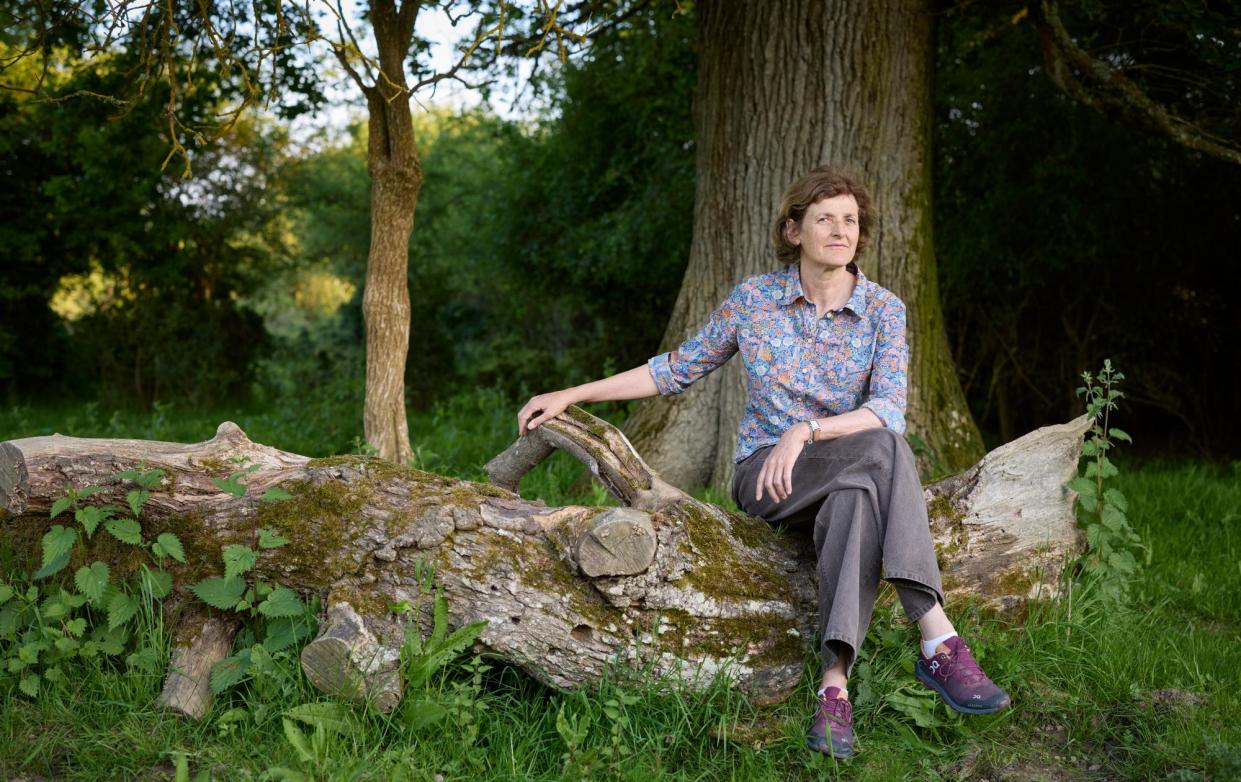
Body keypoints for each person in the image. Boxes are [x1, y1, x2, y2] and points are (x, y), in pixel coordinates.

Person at [516, 166, 1010, 760]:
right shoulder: (755, 301)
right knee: (885, 452)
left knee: (860, 490)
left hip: (844, 474)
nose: (840, 230)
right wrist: (573, 393)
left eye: (850, 220)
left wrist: (806, 430)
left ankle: (834, 692)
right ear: (793, 229)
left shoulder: (884, 310)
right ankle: (936, 635)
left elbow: (888, 409)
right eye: (824, 218)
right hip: (766, 479)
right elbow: (673, 369)